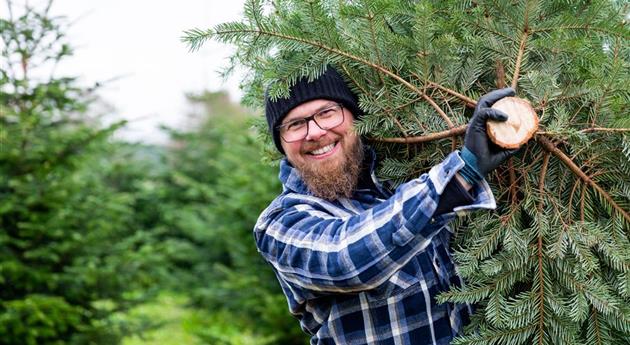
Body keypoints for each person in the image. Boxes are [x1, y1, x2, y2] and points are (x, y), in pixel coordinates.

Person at [254, 66, 519, 345]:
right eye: (295, 125)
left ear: (355, 118)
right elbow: (343, 259)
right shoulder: (279, 223)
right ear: (282, 144)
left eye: (326, 113)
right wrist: (461, 175)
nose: (315, 132)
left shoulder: (399, 184)